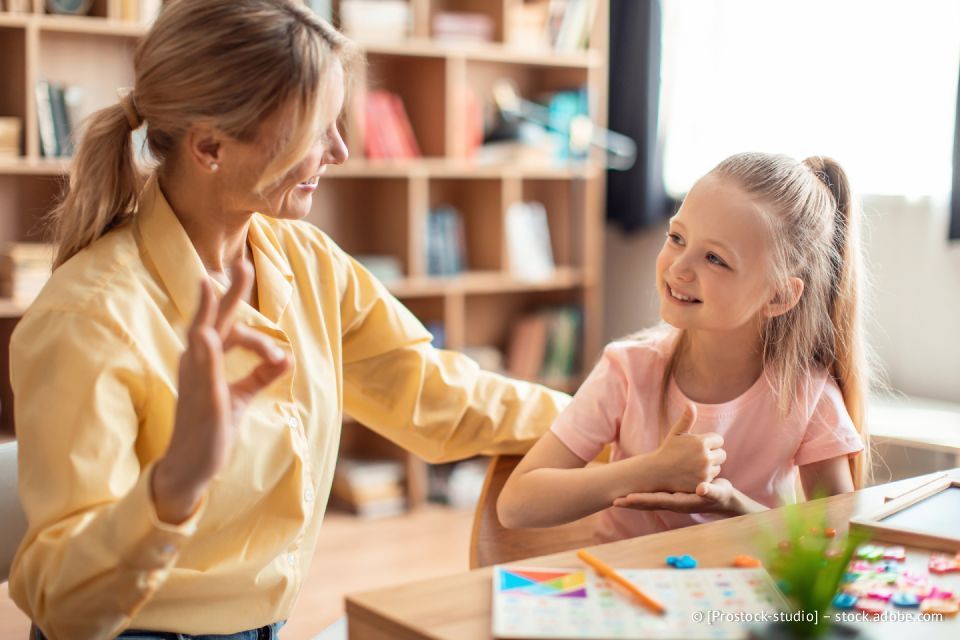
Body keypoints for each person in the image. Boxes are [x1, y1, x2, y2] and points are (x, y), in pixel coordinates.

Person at [8, 1, 569, 638]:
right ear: (210, 147)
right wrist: (176, 483)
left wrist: (602, 419)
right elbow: (63, 606)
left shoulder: (305, 261)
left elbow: (433, 391)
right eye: (314, 129)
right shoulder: (89, 316)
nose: (340, 149)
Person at [497, 152, 869, 543]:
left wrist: (733, 506)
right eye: (677, 238)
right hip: (626, 585)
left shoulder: (808, 395)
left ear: (778, 296)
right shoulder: (626, 370)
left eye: (714, 259)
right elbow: (517, 504)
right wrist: (649, 471)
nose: (678, 268)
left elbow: (836, 536)